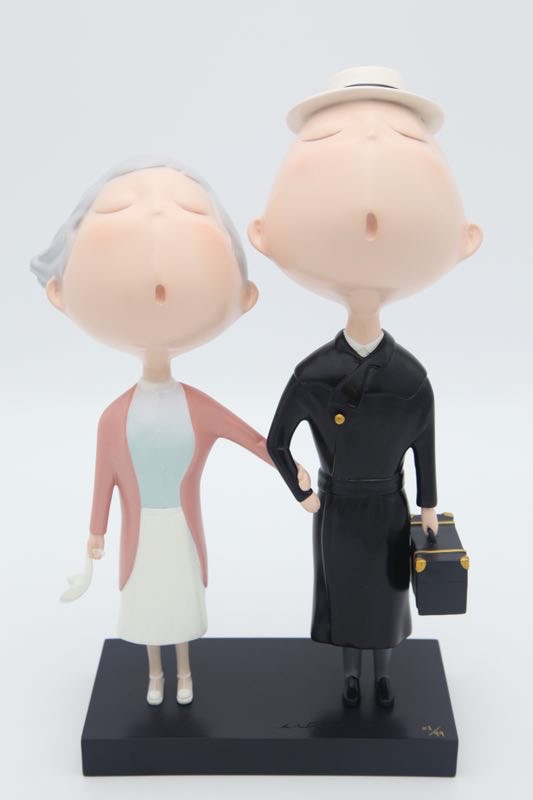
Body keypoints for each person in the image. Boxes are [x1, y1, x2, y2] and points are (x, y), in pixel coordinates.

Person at [31, 156, 310, 707]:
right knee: (144, 606)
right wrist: (96, 532)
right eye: (118, 212)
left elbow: (253, 439)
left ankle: (183, 671)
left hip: (180, 530)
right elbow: (104, 481)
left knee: (180, 604)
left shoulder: (197, 408)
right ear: (60, 292)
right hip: (141, 534)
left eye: (188, 212)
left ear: (244, 299)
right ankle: (155, 675)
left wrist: (289, 467)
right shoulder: (113, 417)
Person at [248, 66, 482, 708]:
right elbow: (276, 439)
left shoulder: (411, 378)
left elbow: (425, 450)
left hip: (386, 506)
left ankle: (381, 675)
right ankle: (351, 674)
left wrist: (428, 509)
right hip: (336, 505)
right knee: (344, 596)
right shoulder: (314, 374)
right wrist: (301, 490)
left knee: (386, 597)